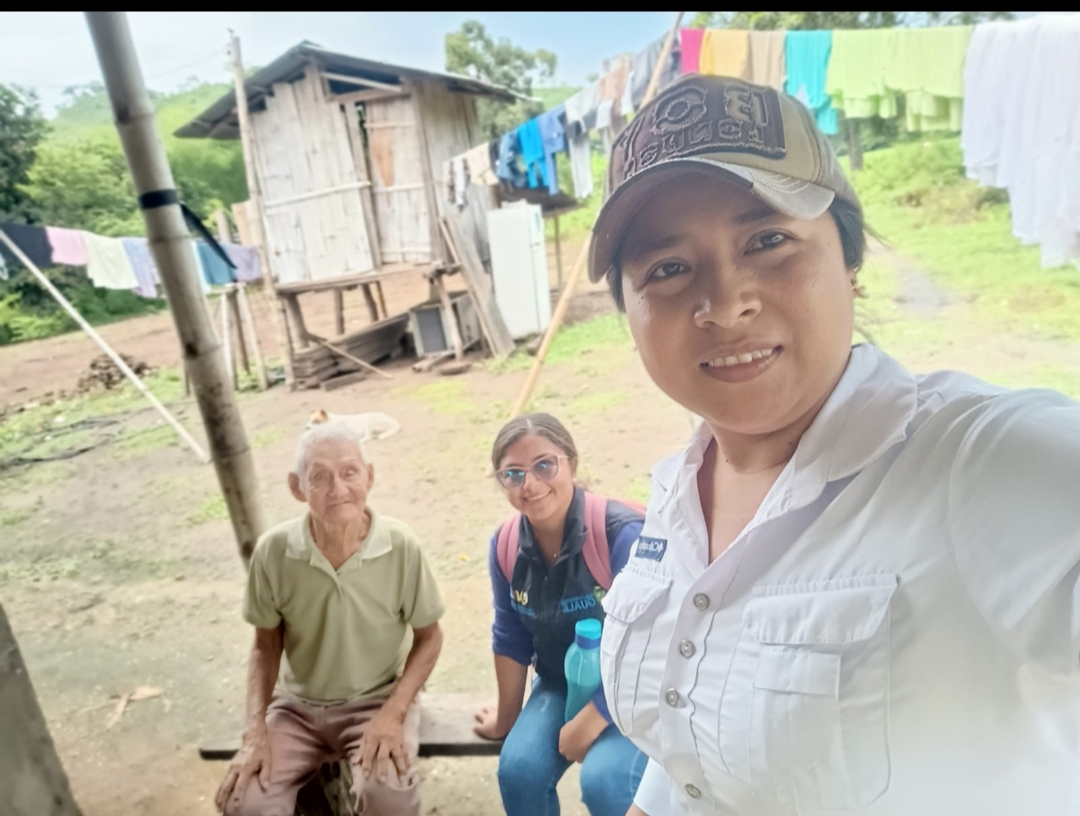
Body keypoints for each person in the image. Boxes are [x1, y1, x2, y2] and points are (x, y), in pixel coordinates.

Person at [590, 74, 1080, 816]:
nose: (725, 304)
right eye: (668, 268)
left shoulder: (979, 461)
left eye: (768, 241)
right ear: (629, 312)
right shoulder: (679, 488)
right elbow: (696, 739)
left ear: (849, 265)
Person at [215, 422, 445, 816]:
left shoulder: (400, 546)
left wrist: (394, 713)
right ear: (297, 487)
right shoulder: (274, 552)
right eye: (319, 477)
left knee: (387, 797)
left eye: (349, 472)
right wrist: (255, 730)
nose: (338, 489)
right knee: (244, 802)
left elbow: (430, 638)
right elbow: (265, 646)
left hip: (376, 699)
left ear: (369, 477)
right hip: (296, 708)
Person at [474, 413, 650, 816]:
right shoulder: (506, 546)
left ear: (572, 462)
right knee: (519, 771)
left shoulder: (621, 534)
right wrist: (505, 719)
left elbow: (655, 646)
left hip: (636, 688)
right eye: (513, 473)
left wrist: (592, 718)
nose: (530, 484)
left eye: (544, 465)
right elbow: (511, 637)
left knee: (605, 780)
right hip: (561, 681)